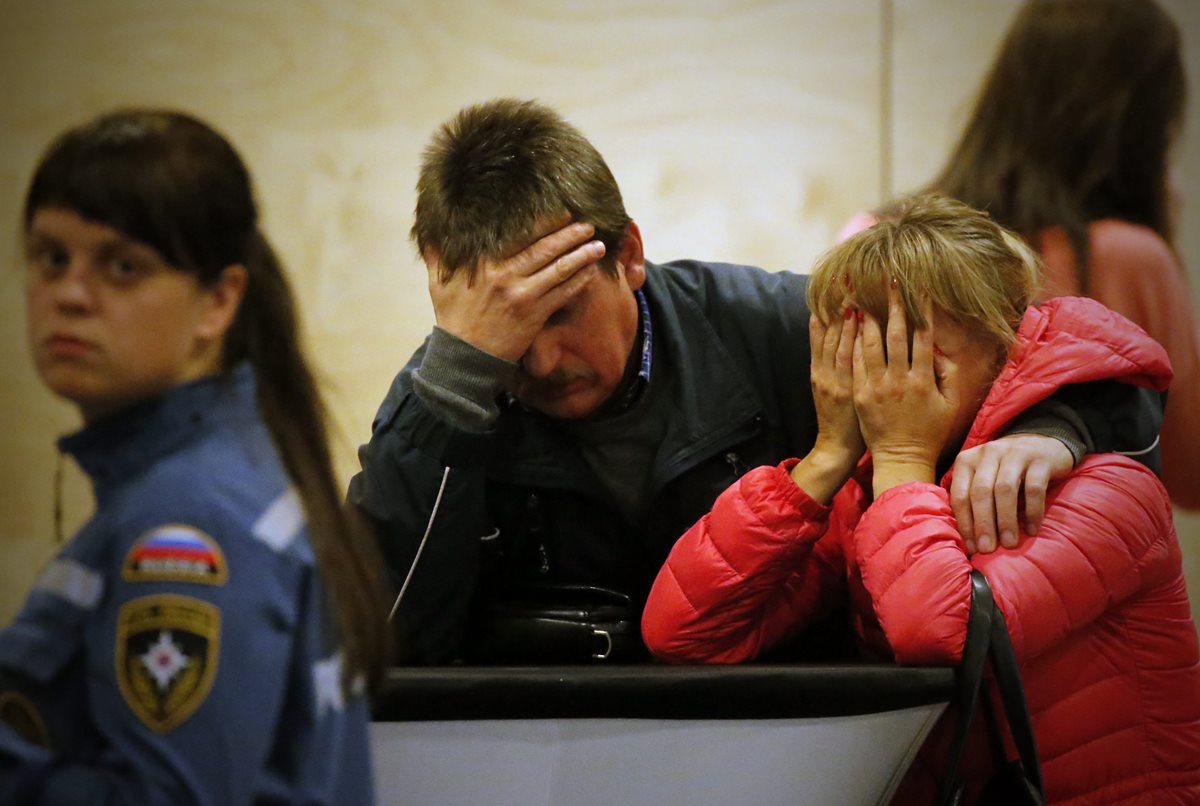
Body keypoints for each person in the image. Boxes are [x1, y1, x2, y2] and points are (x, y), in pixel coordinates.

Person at [349, 98, 1151, 666]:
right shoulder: (445, 399)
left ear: (629, 254)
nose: (541, 362)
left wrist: (1052, 428)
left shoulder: (772, 323)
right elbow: (382, 645)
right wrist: (457, 379)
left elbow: (1046, 342)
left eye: (560, 314)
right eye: (503, 338)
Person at [643, 193, 1200, 803]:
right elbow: (686, 633)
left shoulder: (1105, 490)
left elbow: (943, 638)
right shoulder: (870, 495)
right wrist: (826, 455)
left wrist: (902, 457)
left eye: (913, 357)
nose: (882, 386)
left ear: (1002, 347)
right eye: (861, 355)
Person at [1, 109, 385, 804]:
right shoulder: (215, 470)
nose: (71, 295)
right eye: (52, 257)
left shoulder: (188, 521)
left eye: (123, 267)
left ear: (218, 301)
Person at [847, 0, 1199, 509]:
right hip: (1063, 572)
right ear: (1142, 123)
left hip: (879, 553)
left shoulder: (869, 234)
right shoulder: (1131, 257)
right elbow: (1187, 472)